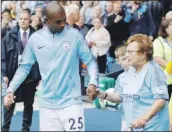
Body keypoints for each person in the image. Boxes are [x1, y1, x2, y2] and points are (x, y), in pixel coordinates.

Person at [4, 2, 99, 131]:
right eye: (58, 21)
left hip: (71, 103)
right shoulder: (35, 39)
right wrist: (10, 90)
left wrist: (93, 82)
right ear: (47, 21)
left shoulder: (75, 35)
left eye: (64, 20)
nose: (63, 24)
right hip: (47, 105)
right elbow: (24, 67)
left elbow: (90, 61)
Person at [88, 34, 170, 131]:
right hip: (133, 127)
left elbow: (161, 99)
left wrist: (144, 118)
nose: (126, 55)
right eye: (127, 51)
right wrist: (101, 93)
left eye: (130, 52)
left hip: (153, 127)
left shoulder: (153, 71)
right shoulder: (126, 74)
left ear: (143, 54)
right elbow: (120, 97)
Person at [1, 10, 41, 132]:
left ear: (30, 21)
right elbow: (3, 57)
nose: (23, 21)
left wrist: (39, 76)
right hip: (13, 75)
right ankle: (5, 128)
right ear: (18, 20)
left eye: (25, 19)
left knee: (28, 105)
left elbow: (41, 58)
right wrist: (4, 74)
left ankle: (25, 129)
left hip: (30, 76)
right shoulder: (9, 35)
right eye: (21, 18)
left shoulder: (37, 36)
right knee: (9, 104)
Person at [153, 19, 172, 100]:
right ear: (165, 29)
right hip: (166, 81)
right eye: (171, 25)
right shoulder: (158, 41)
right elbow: (158, 59)